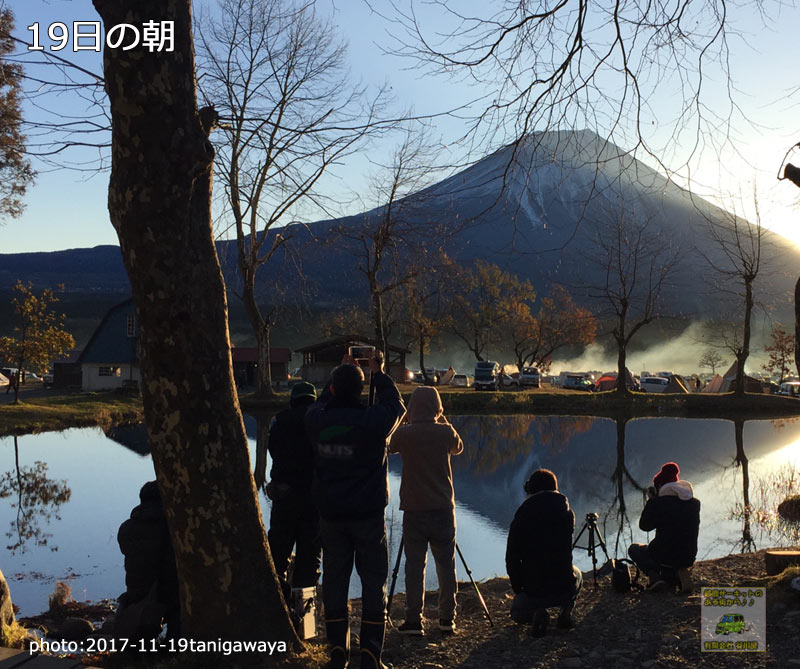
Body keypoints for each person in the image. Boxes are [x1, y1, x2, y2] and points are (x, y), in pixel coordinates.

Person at [305, 351, 405, 669]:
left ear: (333, 388)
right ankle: (371, 654)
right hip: (368, 516)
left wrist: (341, 375)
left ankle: (337, 651)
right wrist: (379, 373)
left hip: (331, 517)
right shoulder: (371, 422)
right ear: (360, 391)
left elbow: (319, 403)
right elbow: (395, 406)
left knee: (334, 581)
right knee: (374, 582)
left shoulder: (317, 420)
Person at [388, 385, 463, 636]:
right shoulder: (445, 432)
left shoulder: (406, 434)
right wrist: (440, 418)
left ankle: (413, 620)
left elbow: (389, 445)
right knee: (446, 565)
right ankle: (446, 619)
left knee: (414, 567)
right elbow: (458, 448)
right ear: (437, 406)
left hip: (414, 508)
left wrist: (406, 419)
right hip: (443, 508)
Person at [505, 469, 582, 637]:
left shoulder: (521, 517)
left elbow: (511, 559)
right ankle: (565, 611)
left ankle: (536, 615)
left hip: (534, 590)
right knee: (578, 573)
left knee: (517, 612)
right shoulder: (567, 514)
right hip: (564, 586)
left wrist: (520, 588)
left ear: (530, 490)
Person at [265, 381, 321, 595]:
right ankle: (303, 609)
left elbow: (273, 450)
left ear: (292, 400)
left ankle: (276, 600)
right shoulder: (319, 420)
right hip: (313, 497)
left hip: (284, 494)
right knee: (310, 555)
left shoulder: (278, 420)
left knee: (277, 552)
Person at [116, 480, 180, 640]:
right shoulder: (173, 529)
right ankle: (175, 647)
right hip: (163, 595)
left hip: (136, 592)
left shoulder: (126, 528)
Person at [628, 461, 700, 592]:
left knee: (634, 549)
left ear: (660, 486)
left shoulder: (658, 503)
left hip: (663, 555)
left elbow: (644, 526)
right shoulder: (694, 503)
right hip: (688, 556)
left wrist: (651, 501)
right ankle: (677, 572)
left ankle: (655, 576)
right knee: (673, 551)